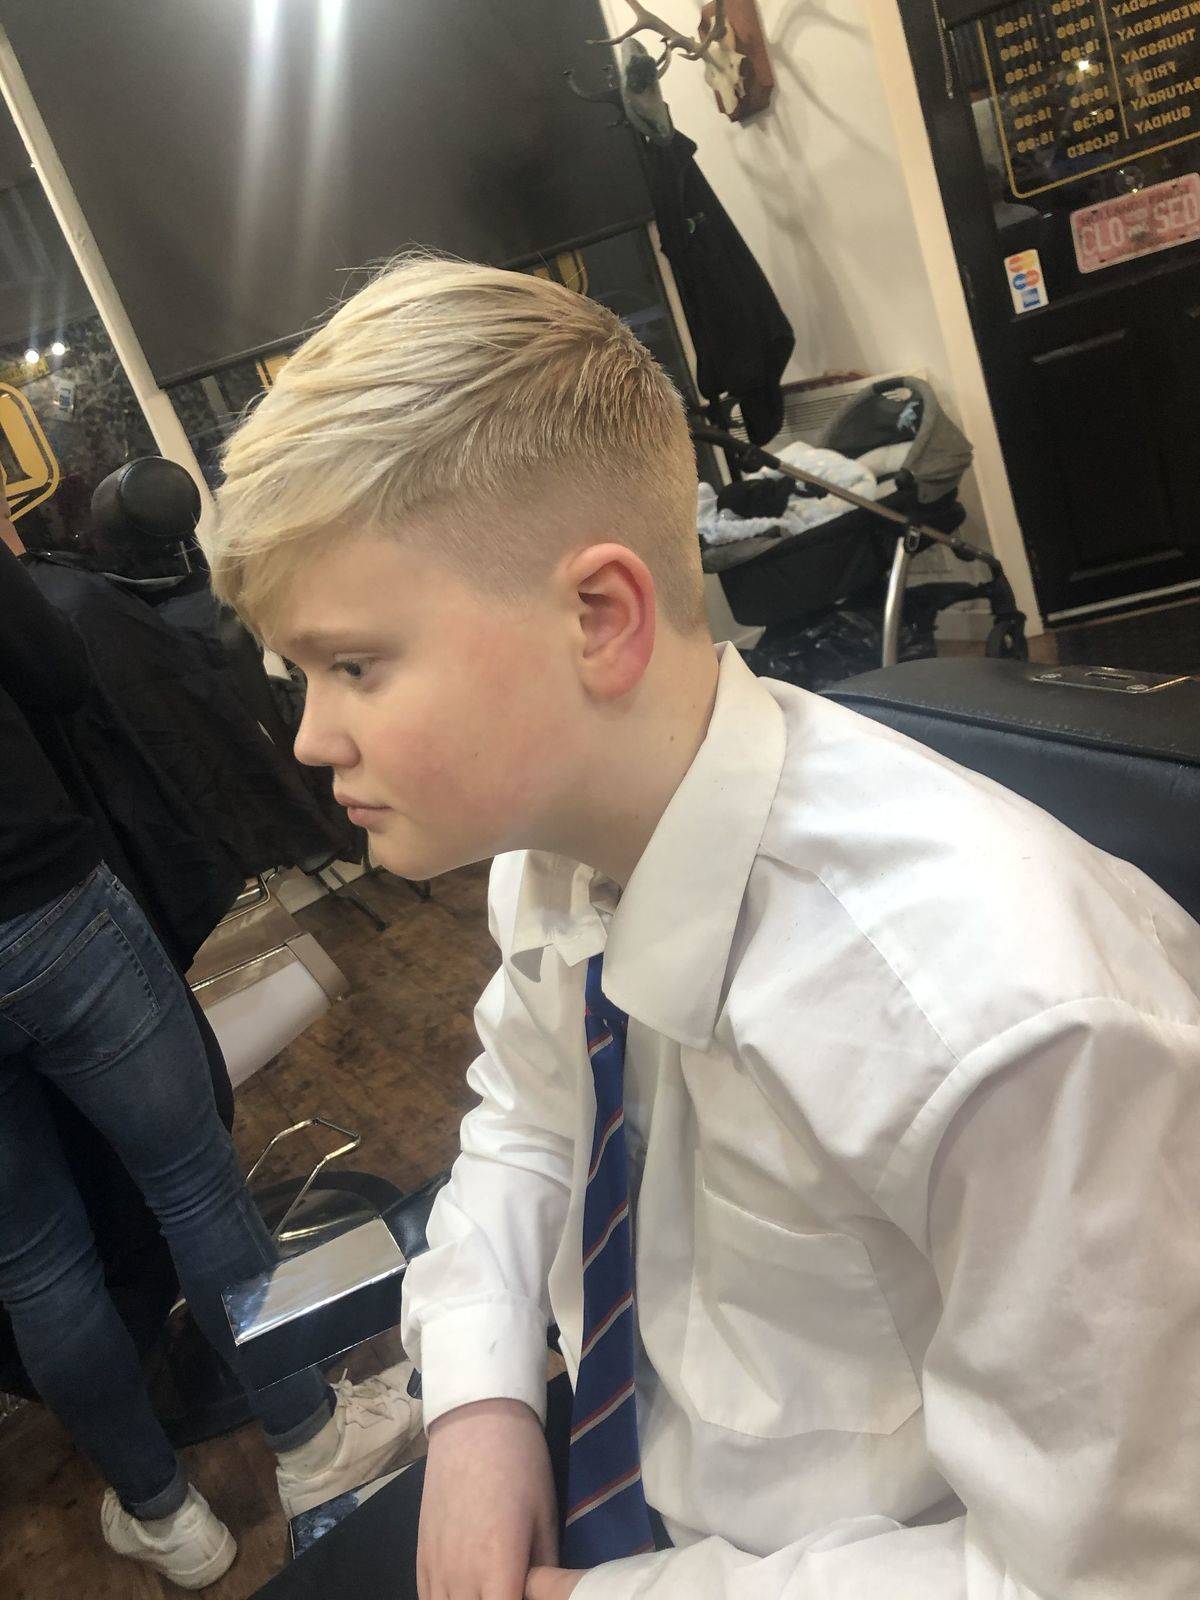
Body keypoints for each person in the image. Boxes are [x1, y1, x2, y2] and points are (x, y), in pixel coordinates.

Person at [203, 254, 1200, 1600]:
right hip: (642, 1458)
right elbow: (530, 1114)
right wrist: (484, 1396)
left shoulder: (1000, 1027)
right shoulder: (557, 845)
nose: (314, 736)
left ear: (598, 618)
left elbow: (1116, 1574)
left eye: (354, 665)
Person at [0, 531, 424, 1589]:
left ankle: (165, 1518)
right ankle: (311, 1441)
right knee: (191, 1184)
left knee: (34, 1262)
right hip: (38, 897)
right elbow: (55, 672)